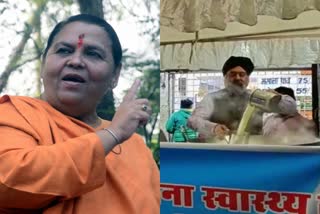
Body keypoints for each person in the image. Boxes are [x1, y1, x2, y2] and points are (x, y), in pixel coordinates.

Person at [0, 14, 159, 213]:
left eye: (93, 54)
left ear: (115, 76)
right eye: (63, 50)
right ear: (43, 64)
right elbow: (8, 182)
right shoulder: (15, 114)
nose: (75, 61)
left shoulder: (135, 146)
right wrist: (112, 135)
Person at [188, 56, 296, 142]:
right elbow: (193, 121)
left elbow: (291, 108)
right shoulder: (212, 99)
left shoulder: (257, 98)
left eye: (242, 74)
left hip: (250, 151)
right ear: (225, 77)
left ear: (248, 78)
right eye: (233, 74)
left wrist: (278, 98)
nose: (238, 78)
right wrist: (213, 128)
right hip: (219, 149)